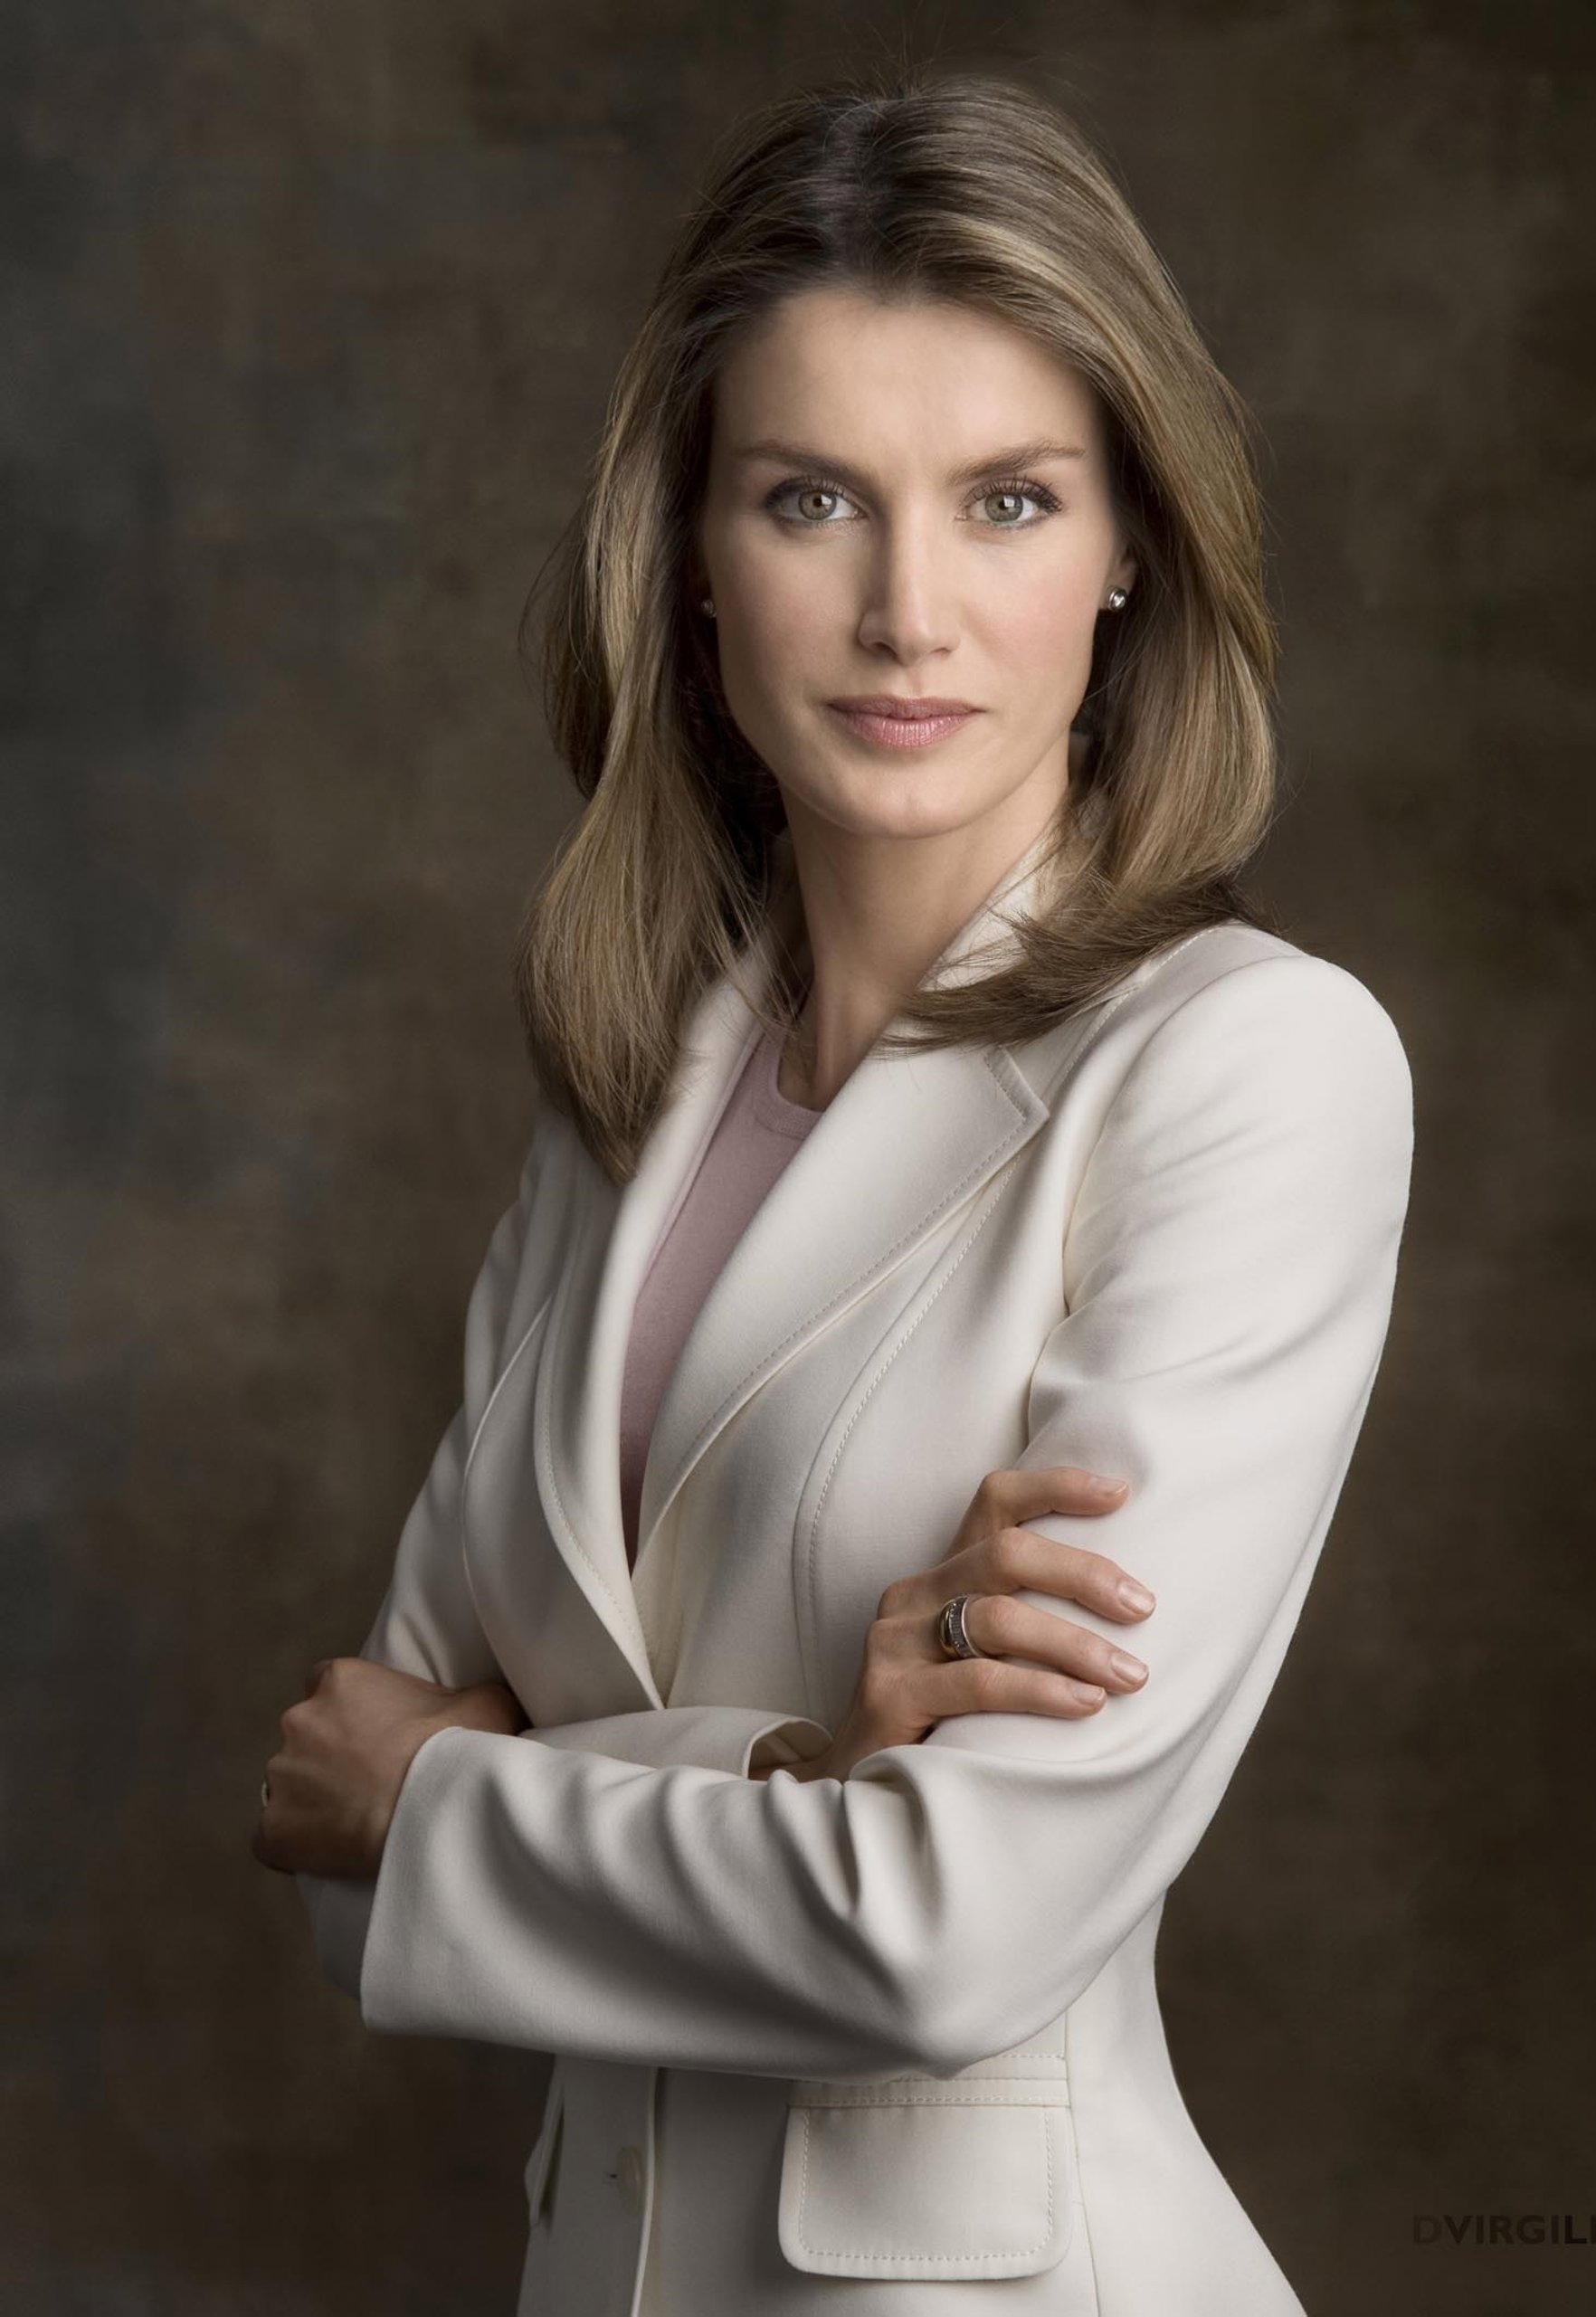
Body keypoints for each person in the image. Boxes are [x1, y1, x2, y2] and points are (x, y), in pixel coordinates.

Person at [252, 66, 1414, 2317]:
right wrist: (800, 1764)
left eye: (1007, 502)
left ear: (1130, 549)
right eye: (811, 500)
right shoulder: (625, 1097)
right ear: (692, 563)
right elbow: (328, 1840)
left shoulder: (1249, 1070)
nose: (907, 613)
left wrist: (463, 1800)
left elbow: (946, 1936)